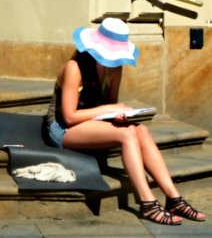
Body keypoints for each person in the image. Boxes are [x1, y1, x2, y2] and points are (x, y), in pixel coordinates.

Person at [46, 17, 205, 225]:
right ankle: (147, 203)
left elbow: (109, 106)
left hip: (89, 124)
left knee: (140, 130)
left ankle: (173, 198)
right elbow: (69, 116)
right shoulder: (74, 68)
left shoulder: (115, 68)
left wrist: (118, 115)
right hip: (62, 128)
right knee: (127, 133)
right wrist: (109, 109)